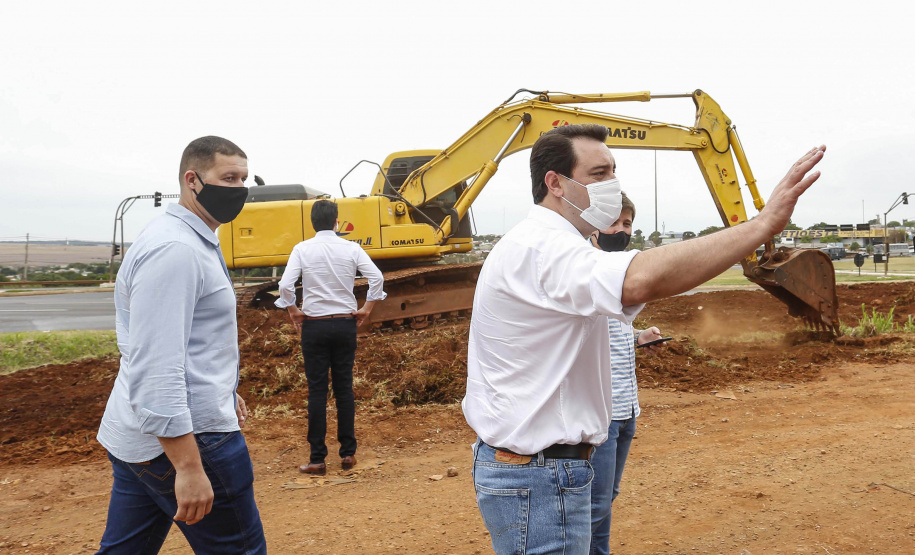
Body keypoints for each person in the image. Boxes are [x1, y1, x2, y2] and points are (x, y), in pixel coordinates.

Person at [463, 123, 825, 554]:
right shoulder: (545, 248)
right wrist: (762, 225)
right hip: (539, 476)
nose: (612, 183)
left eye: (614, 171)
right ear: (556, 183)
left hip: (538, 469)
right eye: (599, 174)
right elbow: (641, 279)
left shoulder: (549, 244)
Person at [95, 136, 266, 553]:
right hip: (190, 441)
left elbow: (186, 341)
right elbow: (157, 365)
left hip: (141, 434)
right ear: (192, 180)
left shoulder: (189, 238)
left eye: (244, 178)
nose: (239, 188)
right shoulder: (176, 250)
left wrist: (224, 388)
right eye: (228, 177)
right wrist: (188, 468)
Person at [275, 199, 386, 476]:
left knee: (317, 391)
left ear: (313, 223)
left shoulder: (302, 249)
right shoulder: (351, 248)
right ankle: (348, 454)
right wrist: (367, 309)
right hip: (345, 325)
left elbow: (286, 285)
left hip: (315, 326)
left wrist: (293, 311)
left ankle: (317, 459)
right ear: (337, 222)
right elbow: (377, 278)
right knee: (344, 388)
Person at [587, 193, 666, 555]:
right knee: (594, 506)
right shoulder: (586, 273)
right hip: (602, 416)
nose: (621, 230)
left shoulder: (619, 276)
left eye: (627, 224)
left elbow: (610, 333)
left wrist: (639, 337)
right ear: (592, 226)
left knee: (607, 499)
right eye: (614, 222)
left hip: (627, 410)